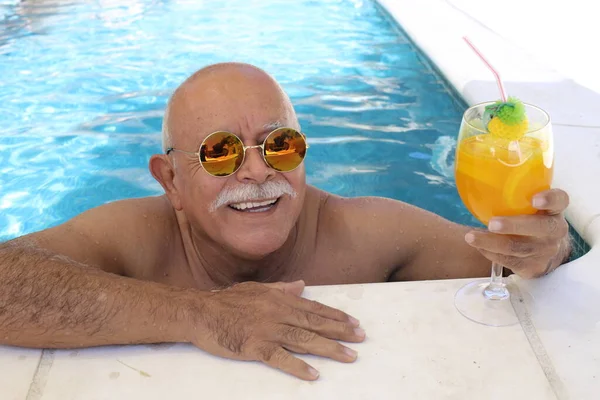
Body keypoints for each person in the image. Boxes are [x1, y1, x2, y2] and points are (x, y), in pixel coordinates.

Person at [0, 63, 571, 381]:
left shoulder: (367, 233)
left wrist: (545, 248)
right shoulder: (136, 239)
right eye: (219, 152)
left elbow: (511, 264)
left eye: (279, 144)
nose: (255, 171)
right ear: (171, 181)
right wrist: (200, 314)